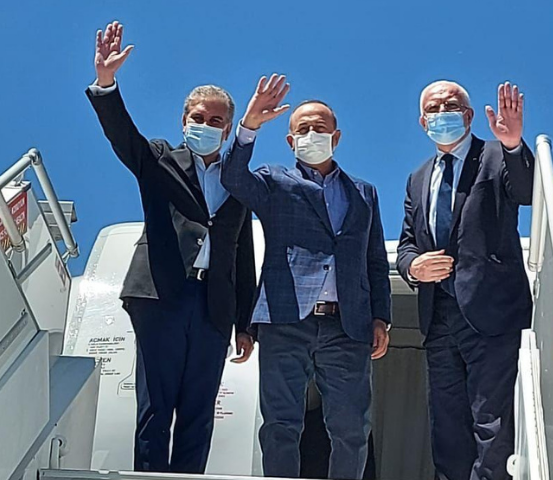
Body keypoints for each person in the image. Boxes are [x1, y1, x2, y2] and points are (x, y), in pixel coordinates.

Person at [85, 21, 256, 474]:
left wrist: (245, 323)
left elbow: (242, 255)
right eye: (198, 118)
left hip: (213, 307)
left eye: (216, 120)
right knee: (156, 407)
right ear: (185, 122)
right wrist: (106, 84)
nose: (205, 125)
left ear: (228, 128)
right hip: (161, 296)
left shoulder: (240, 183)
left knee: (200, 413)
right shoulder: (160, 158)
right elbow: (123, 136)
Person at [220, 74, 391, 480]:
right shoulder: (275, 181)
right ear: (289, 140)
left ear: (337, 135)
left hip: (347, 324)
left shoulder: (363, 192)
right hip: (286, 318)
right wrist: (249, 125)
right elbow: (233, 179)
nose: (312, 134)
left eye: (320, 127)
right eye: (303, 129)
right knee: (281, 423)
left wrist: (381, 316)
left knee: (352, 427)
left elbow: (374, 260)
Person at [396, 80, 535, 480]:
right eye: (434, 108)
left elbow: (526, 192)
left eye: (451, 105)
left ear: (469, 115)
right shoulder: (417, 178)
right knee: (447, 424)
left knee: (492, 421)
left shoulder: (494, 156)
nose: (443, 112)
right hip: (437, 317)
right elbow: (407, 243)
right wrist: (413, 268)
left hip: (490, 312)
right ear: (423, 121)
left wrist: (512, 144)